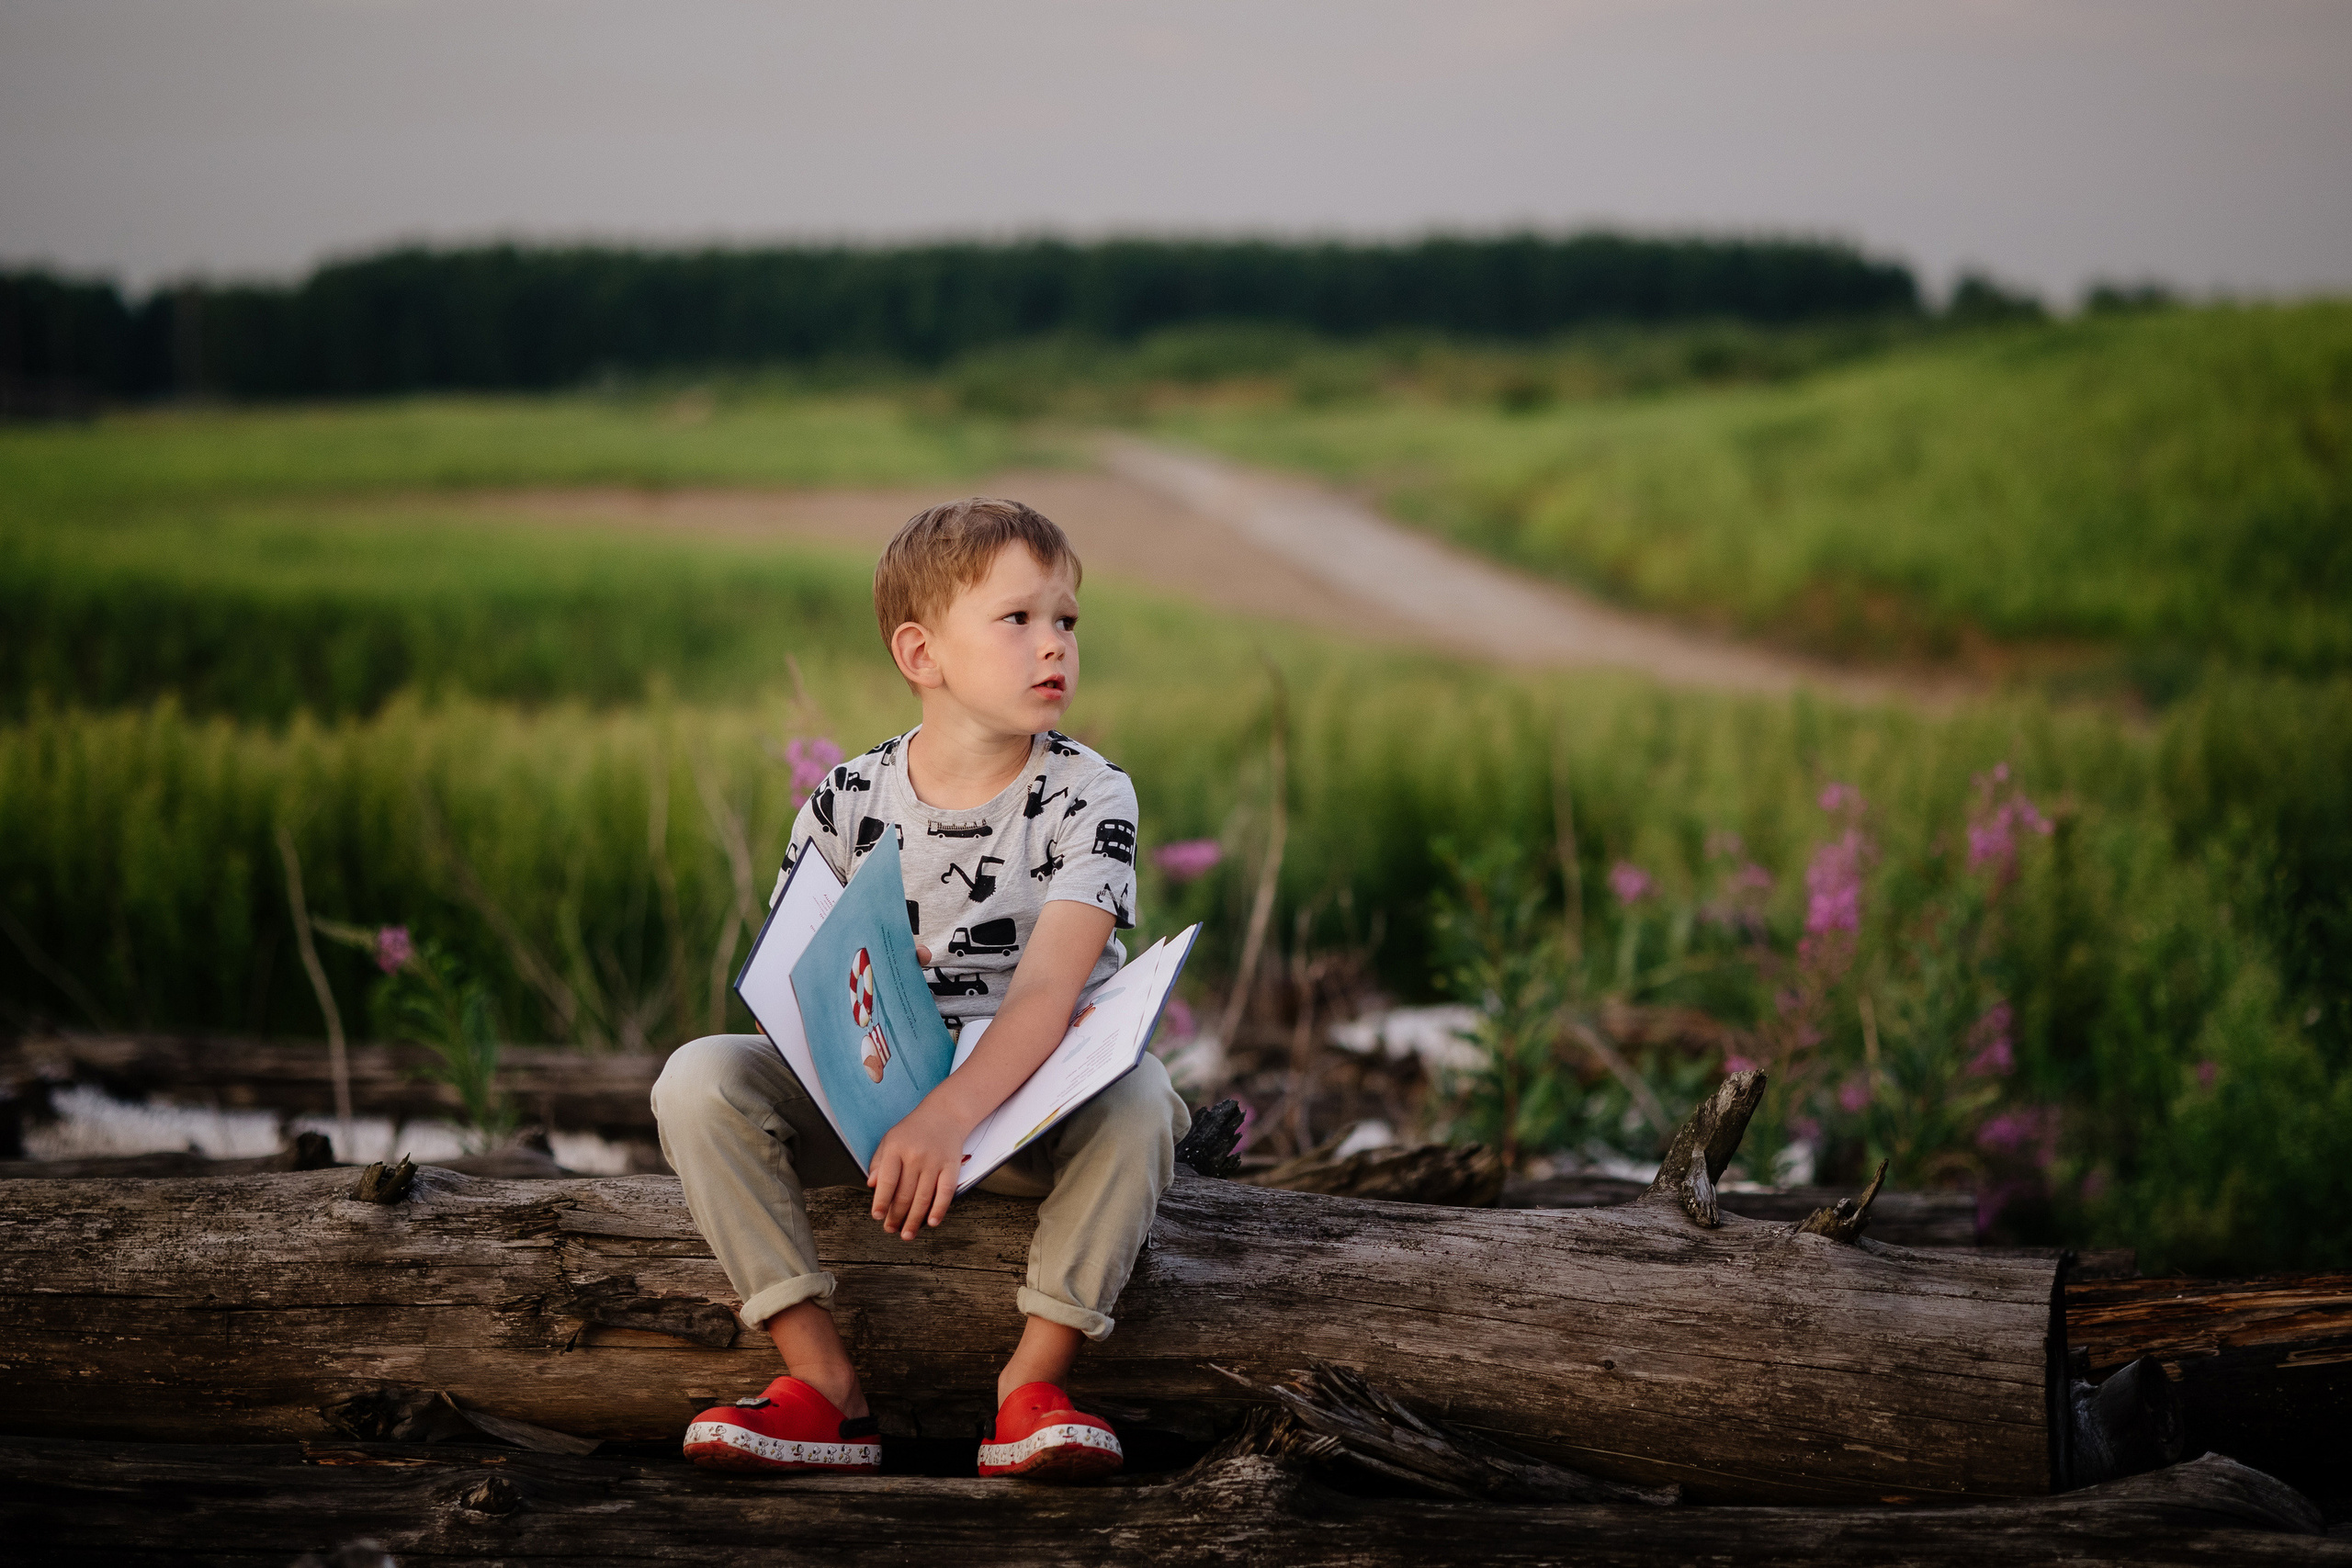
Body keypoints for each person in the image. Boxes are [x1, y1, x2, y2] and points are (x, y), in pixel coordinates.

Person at [652, 497, 1190, 1483]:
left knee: (1146, 1098)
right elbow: (801, 984)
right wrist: (886, 1074)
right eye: (1017, 618)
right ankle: (823, 1385)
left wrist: (947, 1116)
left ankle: (1031, 1385)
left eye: (1066, 620)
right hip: (877, 1112)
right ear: (921, 652)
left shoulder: (1089, 794)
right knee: (698, 1079)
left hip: (1029, 1114)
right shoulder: (848, 797)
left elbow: (1047, 994)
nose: (1053, 645)